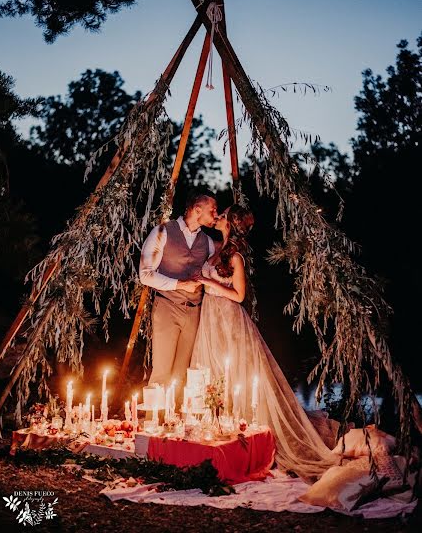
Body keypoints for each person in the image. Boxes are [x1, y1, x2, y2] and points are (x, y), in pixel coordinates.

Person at [191, 204, 338, 481]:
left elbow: (238, 295)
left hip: (229, 319)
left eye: (223, 215)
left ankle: (241, 434)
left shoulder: (235, 257)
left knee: (235, 373)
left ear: (231, 224)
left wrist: (210, 285)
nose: (219, 217)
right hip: (210, 319)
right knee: (212, 372)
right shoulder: (216, 251)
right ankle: (215, 431)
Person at [139, 194, 218, 399]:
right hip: (167, 308)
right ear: (197, 210)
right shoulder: (163, 231)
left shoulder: (207, 242)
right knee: (162, 373)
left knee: (183, 375)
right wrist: (180, 284)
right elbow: (145, 275)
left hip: (194, 313)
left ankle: (175, 427)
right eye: (213, 210)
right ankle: (154, 426)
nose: (215, 215)